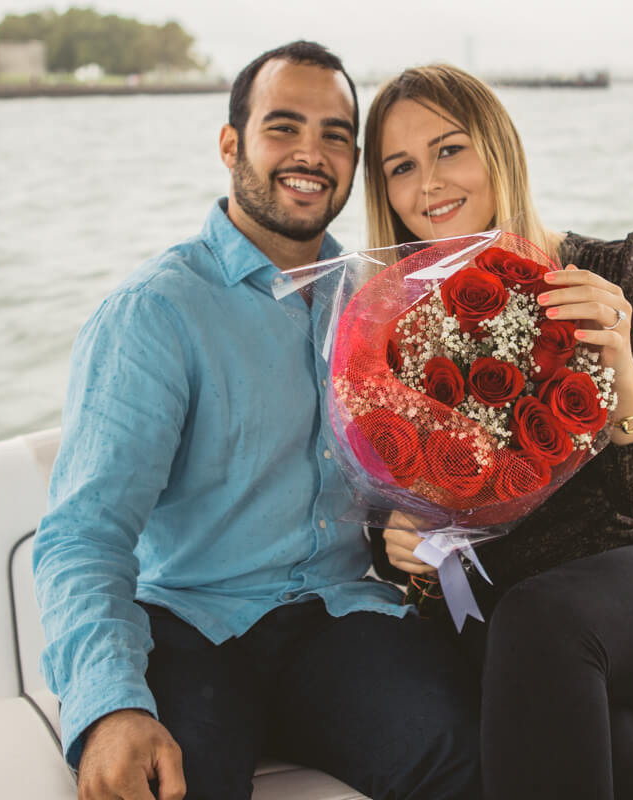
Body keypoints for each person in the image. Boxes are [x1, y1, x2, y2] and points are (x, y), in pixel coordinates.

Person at [33, 42, 481, 800]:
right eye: (284, 127)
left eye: (336, 134)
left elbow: (409, 480)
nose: (312, 152)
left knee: (480, 755)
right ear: (230, 145)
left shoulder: (374, 299)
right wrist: (109, 705)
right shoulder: (156, 313)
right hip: (191, 626)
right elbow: (85, 533)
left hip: (340, 616)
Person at [363, 62, 633, 800]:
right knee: (614, 745)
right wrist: (394, 542)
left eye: (450, 149)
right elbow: (393, 523)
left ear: (498, 146)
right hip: (516, 629)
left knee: (542, 620)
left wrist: (624, 377)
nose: (429, 184)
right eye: (401, 167)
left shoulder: (615, 273)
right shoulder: (391, 333)